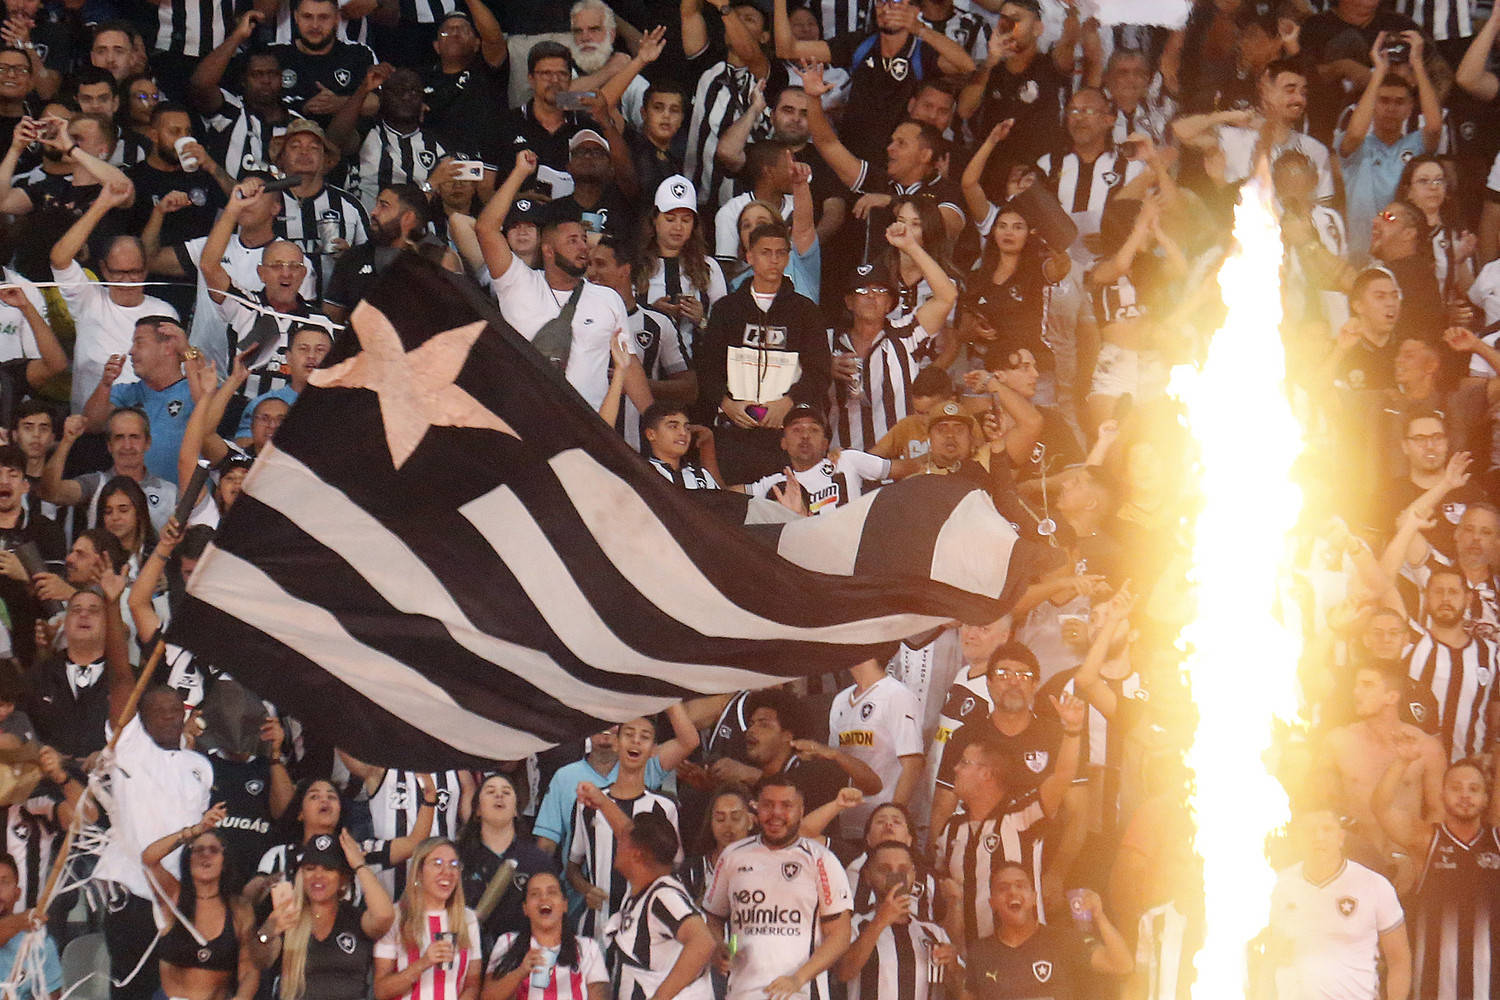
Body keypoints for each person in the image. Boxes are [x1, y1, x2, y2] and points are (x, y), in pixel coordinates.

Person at [95, 562, 213, 1000]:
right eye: (158, 710)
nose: (169, 715)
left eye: (175, 709)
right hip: (134, 897)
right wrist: (112, 606)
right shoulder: (131, 748)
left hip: (180, 902)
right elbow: (122, 679)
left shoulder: (201, 768)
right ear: (139, 720)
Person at [478, 149, 640, 412]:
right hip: (527, 421)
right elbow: (485, 229)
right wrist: (520, 172)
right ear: (548, 250)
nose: (583, 247)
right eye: (572, 241)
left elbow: (629, 365)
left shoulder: (608, 297)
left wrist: (654, 419)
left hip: (587, 431)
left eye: (584, 240)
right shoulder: (518, 283)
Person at [934, 695, 1085, 942]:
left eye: (964, 763)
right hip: (968, 962)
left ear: (986, 774)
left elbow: (1063, 777)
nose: (955, 769)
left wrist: (1072, 731)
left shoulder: (1020, 818)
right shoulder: (951, 829)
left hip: (1021, 959)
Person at [693, 218, 830, 485]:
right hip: (733, 432)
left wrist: (789, 403)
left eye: (781, 253)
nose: (774, 260)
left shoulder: (805, 311)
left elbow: (820, 372)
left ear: (788, 256)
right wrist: (726, 403)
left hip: (782, 437)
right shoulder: (727, 309)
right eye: (765, 253)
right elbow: (707, 368)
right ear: (750, 256)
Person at [702, 775, 853, 1000]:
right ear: (756, 809)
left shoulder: (821, 859)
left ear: (801, 810)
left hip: (801, 994)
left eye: (786, 805)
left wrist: (799, 978)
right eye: (768, 805)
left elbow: (840, 936)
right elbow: (716, 918)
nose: (776, 813)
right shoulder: (733, 856)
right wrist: (721, 948)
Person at [1373, 749, 1499, 1000]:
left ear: (1486, 798)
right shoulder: (1425, 840)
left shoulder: (1496, 842)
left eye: (1474, 789)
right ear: (1442, 794)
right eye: (1456, 788)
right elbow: (1381, 808)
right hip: (1433, 989)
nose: (1465, 795)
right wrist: (1402, 761)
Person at [48, 178, 181, 415]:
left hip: (144, 427)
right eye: (119, 273)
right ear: (104, 269)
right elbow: (59, 258)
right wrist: (102, 204)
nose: (128, 281)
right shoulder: (88, 298)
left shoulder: (164, 312)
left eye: (135, 272)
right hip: (89, 425)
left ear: (146, 269)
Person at [576, 789, 715, 1000]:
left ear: (636, 854)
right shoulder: (646, 891)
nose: (617, 841)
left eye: (622, 840)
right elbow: (627, 830)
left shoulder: (663, 896)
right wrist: (602, 802)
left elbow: (703, 942)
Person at [566, 715, 687, 946]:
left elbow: (674, 870)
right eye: (629, 734)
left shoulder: (665, 807)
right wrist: (586, 889)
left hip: (647, 933)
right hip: (595, 931)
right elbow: (573, 867)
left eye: (644, 737)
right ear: (616, 742)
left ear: (653, 749)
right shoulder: (587, 803)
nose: (635, 742)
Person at [1268, 804, 1410, 1000]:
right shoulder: (1275, 886)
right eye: (1310, 831)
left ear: (1341, 837)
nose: (1318, 837)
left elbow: (1399, 960)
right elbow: (1268, 959)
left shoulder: (1374, 885)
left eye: (1327, 829)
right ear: (1297, 838)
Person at [251, 831, 396, 1000]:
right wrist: (268, 931)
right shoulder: (287, 916)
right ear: (301, 875)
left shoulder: (354, 918)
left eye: (328, 868)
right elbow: (260, 962)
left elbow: (385, 916)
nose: (318, 876)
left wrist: (359, 865)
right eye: (310, 869)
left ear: (342, 879)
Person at [1337, 32, 1442, 262]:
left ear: (1409, 108)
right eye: (1383, 101)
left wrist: (1417, 64)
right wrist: (1379, 73)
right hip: (1360, 256)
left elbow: (1434, 127)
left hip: (1405, 256)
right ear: (1373, 104)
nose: (1391, 108)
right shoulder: (1356, 146)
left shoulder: (1415, 145)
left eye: (1399, 102)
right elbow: (1355, 133)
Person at [140, 802, 260, 1000]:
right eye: (198, 849)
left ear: (225, 861)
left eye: (214, 850)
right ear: (188, 858)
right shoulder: (173, 896)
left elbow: (249, 971)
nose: (206, 855)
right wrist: (196, 830)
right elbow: (149, 858)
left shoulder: (239, 908)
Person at [960, 864, 1131, 1000]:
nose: (1013, 891)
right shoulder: (981, 951)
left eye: (1020, 885)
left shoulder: (1062, 940)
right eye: (1003, 888)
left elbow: (1121, 964)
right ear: (993, 903)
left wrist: (1099, 916)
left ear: (1034, 898)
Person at [81, 315, 196, 485]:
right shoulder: (126, 393)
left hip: (186, 504)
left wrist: (187, 351)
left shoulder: (195, 391)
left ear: (168, 346)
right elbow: (91, 424)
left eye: (139, 343)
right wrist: (105, 384)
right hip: (132, 503)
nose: (131, 351)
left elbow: (208, 401)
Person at [837, 840, 958, 1000]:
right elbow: (843, 972)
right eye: (884, 869)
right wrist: (880, 921)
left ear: (913, 875)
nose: (895, 876)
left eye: (903, 869)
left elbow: (961, 990)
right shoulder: (854, 926)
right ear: (867, 876)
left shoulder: (933, 932)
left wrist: (954, 966)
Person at [745, 404, 914, 514]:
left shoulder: (846, 460)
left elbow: (911, 467)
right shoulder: (773, 483)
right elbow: (722, 493)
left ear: (826, 443)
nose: (805, 435)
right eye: (796, 430)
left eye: (813, 430)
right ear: (783, 443)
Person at [457, 773, 556, 952]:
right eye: (490, 791)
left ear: (516, 810)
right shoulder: (458, 857)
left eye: (507, 792)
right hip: (467, 952)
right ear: (477, 810)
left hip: (521, 957)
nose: (499, 795)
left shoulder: (537, 861)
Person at [825, 658, 923, 839]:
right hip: (848, 823)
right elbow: (836, 765)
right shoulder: (840, 700)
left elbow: (913, 765)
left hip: (883, 830)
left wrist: (893, 820)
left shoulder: (896, 695)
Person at [1406, 568, 1498, 760]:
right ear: (1426, 596)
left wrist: (1491, 755)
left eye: (1453, 592)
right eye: (1438, 592)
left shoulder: (1491, 655)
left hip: (1468, 773)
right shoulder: (1410, 646)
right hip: (1416, 769)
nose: (1445, 599)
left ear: (1468, 599)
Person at [373, 837, 482, 1000]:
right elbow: (381, 991)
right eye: (437, 864)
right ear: (419, 872)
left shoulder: (468, 919)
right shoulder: (396, 917)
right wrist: (424, 962)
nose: (447, 872)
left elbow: (472, 983)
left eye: (453, 865)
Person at [636, 175, 727, 365]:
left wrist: (701, 319)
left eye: (686, 220)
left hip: (696, 370)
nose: (678, 227)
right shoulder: (635, 264)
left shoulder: (708, 267)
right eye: (670, 219)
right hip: (642, 367)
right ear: (655, 220)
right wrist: (652, 313)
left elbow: (725, 330)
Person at [482, 871, 607, 1000]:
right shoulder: (507, 942)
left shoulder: (587, 948)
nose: (544, 899)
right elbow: (487, 997)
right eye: (535, 894)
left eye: (552, 892)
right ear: (525, 908)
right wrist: (521, 972)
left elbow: (600, 995)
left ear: (565, 905)